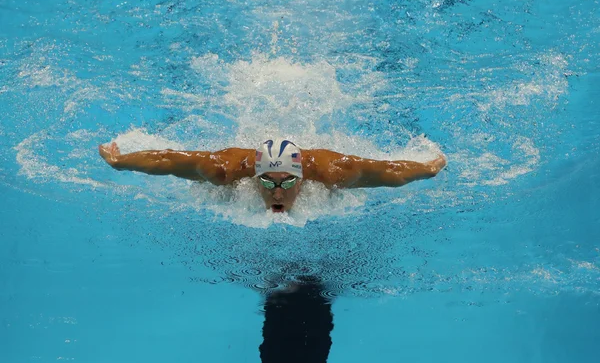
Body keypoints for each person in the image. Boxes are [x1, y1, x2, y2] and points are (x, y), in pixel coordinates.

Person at [99, 138, 446, 213]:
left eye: (286, 183)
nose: (277, 193)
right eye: (267, 183)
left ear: (301, 177)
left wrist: (429, 168)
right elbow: (168, 161)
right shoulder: (224, 170)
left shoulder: (334, 172)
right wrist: (121, 161)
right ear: (254, 177)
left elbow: (391, 172)